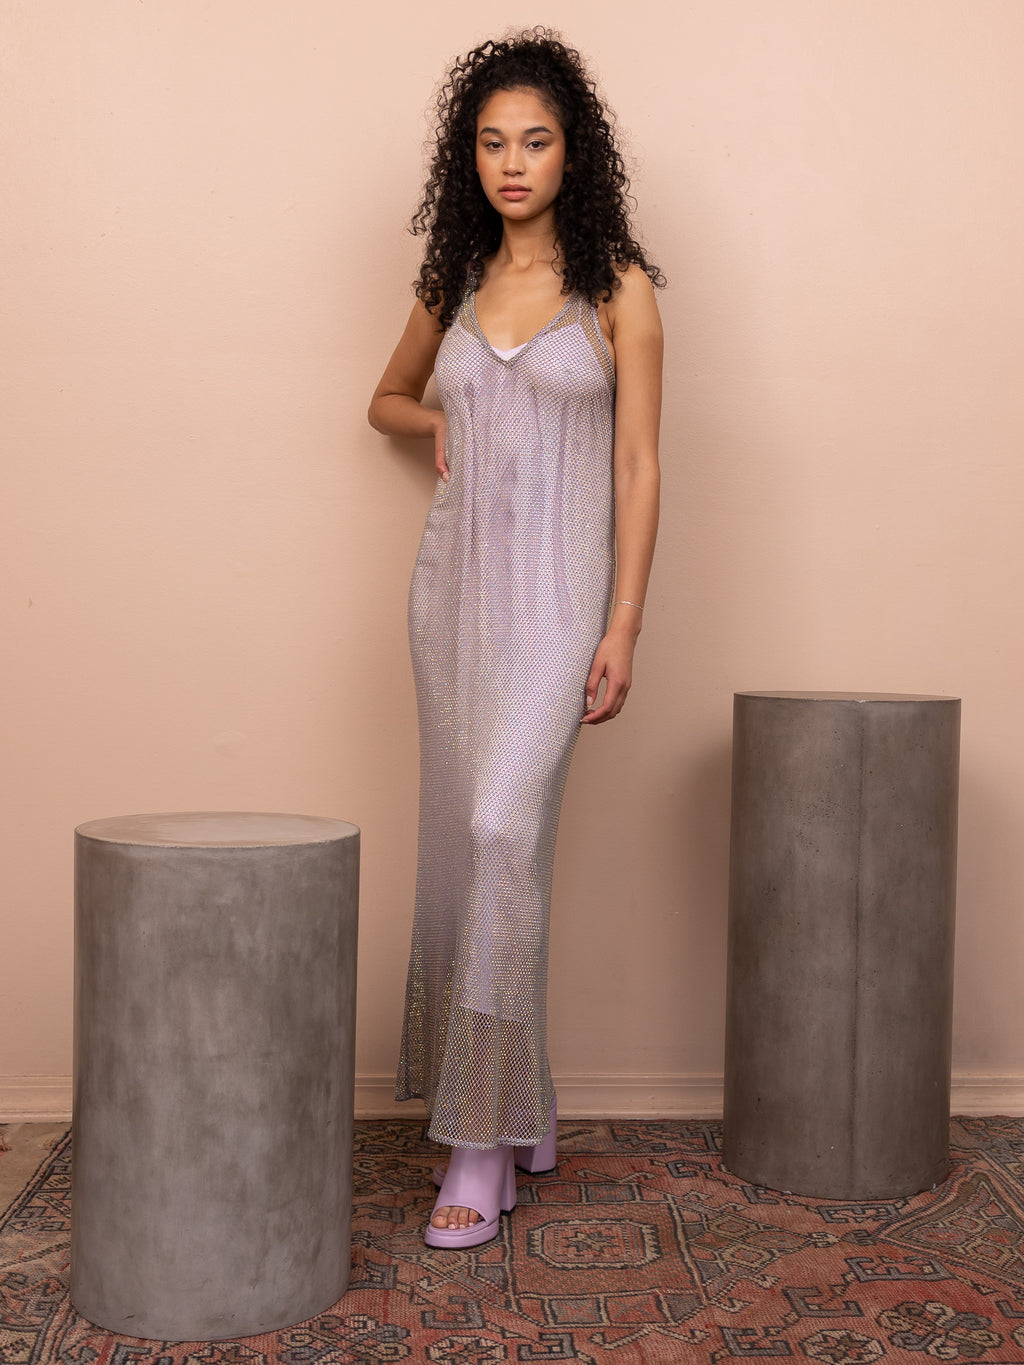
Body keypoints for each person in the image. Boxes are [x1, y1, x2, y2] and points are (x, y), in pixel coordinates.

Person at [368, 29, 663, 1248]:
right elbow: (381, 399)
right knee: (475, 850)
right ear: (469, 158)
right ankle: (521, 1098)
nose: (512, 162)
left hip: (559, 602)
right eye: (491, 142)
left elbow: (638, 466)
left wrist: (623, 623)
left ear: (571, 154)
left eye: (535, 141)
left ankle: (479, 1146)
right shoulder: (452, 284)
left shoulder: (619, 291)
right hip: (453, 599)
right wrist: (429, 422)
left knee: (500, 830)